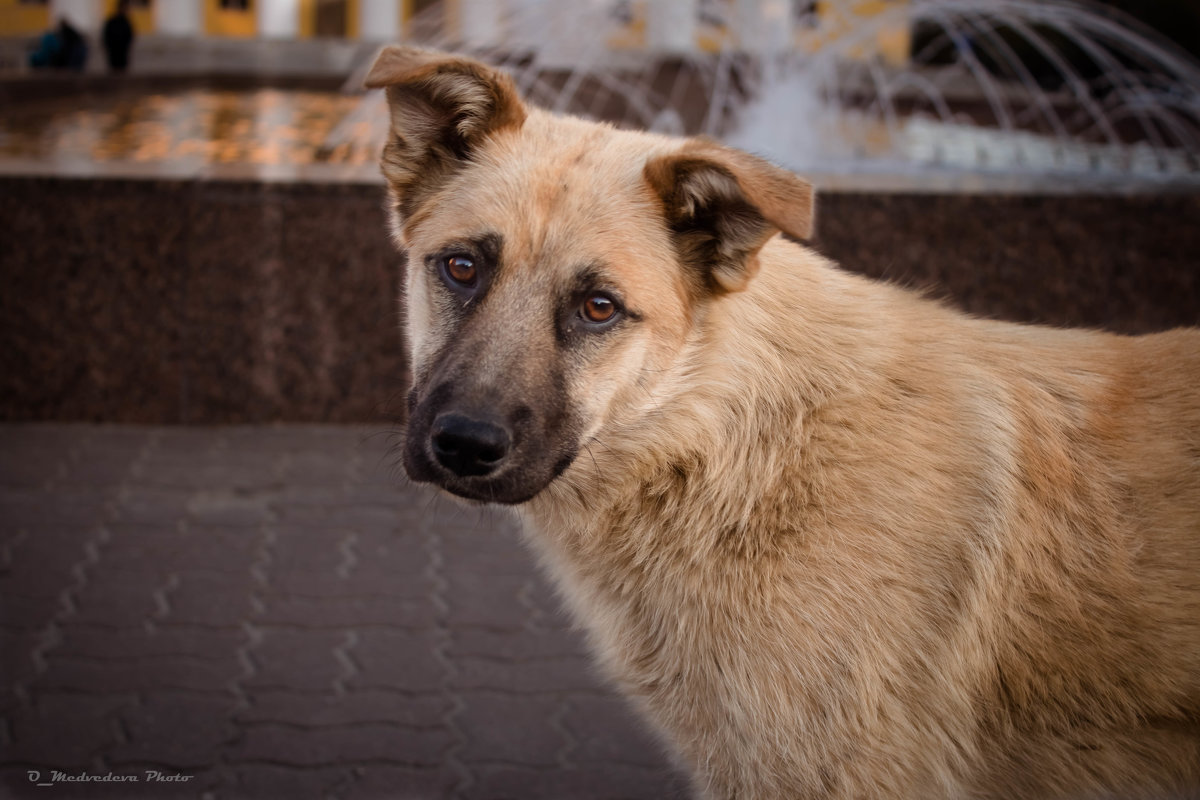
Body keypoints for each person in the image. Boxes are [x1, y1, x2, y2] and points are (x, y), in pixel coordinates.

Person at [102, 0, 135, 73]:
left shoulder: (126, 22)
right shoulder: (112, 21)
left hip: (123, 51)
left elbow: (130, 36)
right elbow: (106, 36)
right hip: (114, 51)